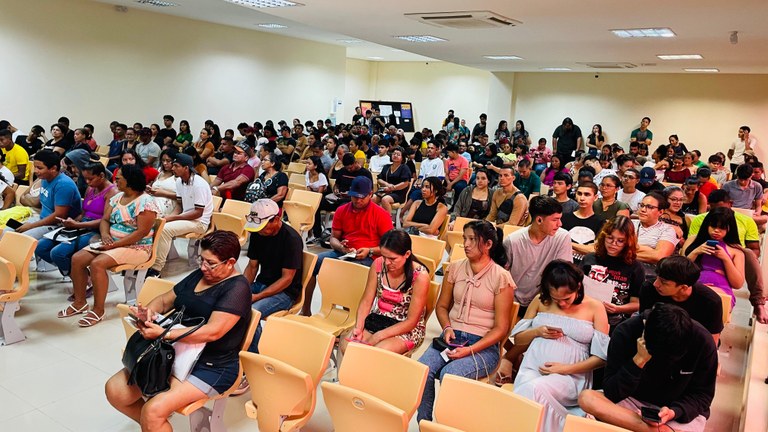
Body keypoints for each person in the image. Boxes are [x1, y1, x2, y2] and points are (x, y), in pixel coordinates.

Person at [105, 231, 252, 431]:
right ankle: (153, 426)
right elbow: (166, 299)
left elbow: (212, 332)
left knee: (153, 411)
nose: (203, 267)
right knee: (115, 391)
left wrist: (163, 334)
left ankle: (153, 423)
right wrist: (149, 312)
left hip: (211, 365)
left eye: (210, 263)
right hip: (176, 352)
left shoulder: (238, 289)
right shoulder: (199, 275)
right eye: (202, 259)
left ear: (230, 262)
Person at [417, 220, 515, 421]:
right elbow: (442, 306)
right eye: (464, 239)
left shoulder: (501, 277)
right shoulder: (455, 268)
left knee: (450, 376)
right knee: (422, 370)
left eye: (472, 239)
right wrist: (446, 327)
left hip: (483, 345)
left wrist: (470, 349)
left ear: (488, 245)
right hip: (452, 338)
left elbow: (501, 328)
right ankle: (424, 424)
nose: (466, 244)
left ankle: (448, 424)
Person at [579, 303, 717, 432]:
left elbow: (703, 396)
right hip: (630, 403)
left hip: (678, 412)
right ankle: (660, 431)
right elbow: (611, 392)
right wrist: (638, 360)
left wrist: (674, 412)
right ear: (644, 333)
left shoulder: (703, 341)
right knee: (587, 398)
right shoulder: (626, 332)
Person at [512, 260, 609, 432]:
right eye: (556, 299)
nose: (562, 304)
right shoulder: (540, 301)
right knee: (527, 393)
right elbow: (518, 340)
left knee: (532, 390)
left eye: (566, 298)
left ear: (578, 287)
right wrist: (537, 331)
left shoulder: (595, 307)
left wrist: (565, 369)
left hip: (571, 376)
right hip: (532, 367)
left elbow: (601, 358)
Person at [60, 164, 158, 327]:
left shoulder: (145, 201)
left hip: (137, 247)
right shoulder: (117, 197)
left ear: (130, 181)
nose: (115, 180)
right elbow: (105, 220)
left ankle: (98, 310)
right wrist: (105, 235)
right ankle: (80, 302)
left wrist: (113, 245)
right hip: (113, 243)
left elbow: (141, 232)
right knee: (77, 259)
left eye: (119, 178)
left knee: (97, 264)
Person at [304, 177, 392, 315]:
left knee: (348, 272)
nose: (357, 201)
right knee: (312, 264)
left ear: (370, 194)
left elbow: (389, 248)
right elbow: (333, 238)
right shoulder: (342, 210)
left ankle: (350, 314)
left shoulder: (381, 215)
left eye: (362, 197)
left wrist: (369, 251)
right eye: (354, 197)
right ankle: (306, 310)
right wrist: (340, 246)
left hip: (370, 257)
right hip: (345, 253)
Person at [340, 229, 430, 355]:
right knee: (347, 346)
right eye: (384, 257)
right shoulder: (378, 264)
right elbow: (366, 301)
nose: (387, 262)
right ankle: (347, 375)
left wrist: (379, 336)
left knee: (376, 353)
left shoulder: (420, 276)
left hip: (406, 328)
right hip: (379, 319)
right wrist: (358, 327)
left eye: (393, 258)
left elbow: (411, 321)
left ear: (407, 254)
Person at [36, 162, 117, 278]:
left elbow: (105, 220)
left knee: (58, 253)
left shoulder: (113, 192)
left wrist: (77, 225)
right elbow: (83, 213)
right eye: (85, 179)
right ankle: (78, 275)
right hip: (81, 226)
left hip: (97, 230)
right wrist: (71, 222)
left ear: (102, 176)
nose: (87, 182)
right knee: (40, 247)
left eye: (90, 179)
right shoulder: (90, 188)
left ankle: (82, 279)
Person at [242, 199, 304, 352]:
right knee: (231, 300)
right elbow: (252, 266)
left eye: (263, 226)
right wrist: (240, 287)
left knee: (252, 311)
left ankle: (253, 356)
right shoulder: (258, 234)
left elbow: (287, 278)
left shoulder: (292, 239)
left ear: (276, 219)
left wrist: (258, 296)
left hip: (285, 292)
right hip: (263, 282)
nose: (260, 231)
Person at [504, 196, 573, 315]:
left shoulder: (563, 237)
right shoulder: (513, 241)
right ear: (539, 220)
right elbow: (502, 276)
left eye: (560, 219)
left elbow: (563, 274)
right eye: (555, 220)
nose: (560, 224)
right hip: (512, 299)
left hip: (545, 302)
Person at [147, 153, 213, 277]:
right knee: (156, 223)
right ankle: (147, 261)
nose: (172, 168)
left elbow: (198, 212)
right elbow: (179, 205)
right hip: (188, 218)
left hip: (199, 222)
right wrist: (168, 217)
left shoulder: (199, 184)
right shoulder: (179, 181)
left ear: (186, 168)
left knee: (165, 230)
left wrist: (172, 218)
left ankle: (156, 269)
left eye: (176, 166)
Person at [639, 256, 724, 343]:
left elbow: (712, 339)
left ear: (683, 287)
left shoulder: (711, 302)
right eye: (657, 278)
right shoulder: (649, 288)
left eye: (663, 282)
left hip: (692, 342)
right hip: (657, 339)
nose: (655, 284)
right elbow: (644, 323)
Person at [582, 216, 643, 332]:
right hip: (586, 316)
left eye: (620, 241)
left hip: (616, 322)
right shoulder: (590, 259)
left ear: (628, 242)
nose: (613, 244)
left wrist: (618, 309)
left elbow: (636, 303)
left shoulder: (635, 267)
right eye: (610, 238)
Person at [13, 150, 82, 241]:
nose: (36, 171)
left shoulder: (64, 185)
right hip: (41, 218)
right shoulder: (44, 178)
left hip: (57, 225)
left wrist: (31, 226)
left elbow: (59, 216)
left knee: (20, 239)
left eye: (40, 168)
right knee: (7, 231)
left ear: (53, 168)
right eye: (35, 167)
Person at [683, 207, 745, 308]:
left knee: (713, 301)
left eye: (722, 228)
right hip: (694, 285)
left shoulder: (736, 251)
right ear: (707, 225)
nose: (716, 231)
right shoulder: (692, 240)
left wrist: (725, 258)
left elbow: (737, 284)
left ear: (729, 228)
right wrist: (695, 252)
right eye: (713, 226)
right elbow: (680, 270)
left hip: (720, 288)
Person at [560, 181, 604, 261]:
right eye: (579, 194)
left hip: (588, 265)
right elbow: (557, 243)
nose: (582, 198)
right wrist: (584, 249)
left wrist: (567, 243)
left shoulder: (601, 222)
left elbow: (595, 249)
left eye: (587, 194)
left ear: (595, 197)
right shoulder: (564, 217)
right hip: (564, 263)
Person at [373, 146, 412, 212]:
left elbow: (405, 183)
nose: (395, 155)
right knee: (372, 198)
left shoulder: (404, 168)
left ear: (402, 158)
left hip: (398, 193)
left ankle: (388, 220)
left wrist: (393, 188)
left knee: (385, 199)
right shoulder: (386, 167)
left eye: (398, 154)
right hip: (385, 190)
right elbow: (379, 179)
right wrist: (387, 184)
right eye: (394, 154)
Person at [148, 149, 180, 217]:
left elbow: (182, 197)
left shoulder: (178, 177)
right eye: (163, 160)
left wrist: (162, 193)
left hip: (167, 203)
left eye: (168, 161)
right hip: (152, 200)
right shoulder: (160, 172)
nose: (165, 163)